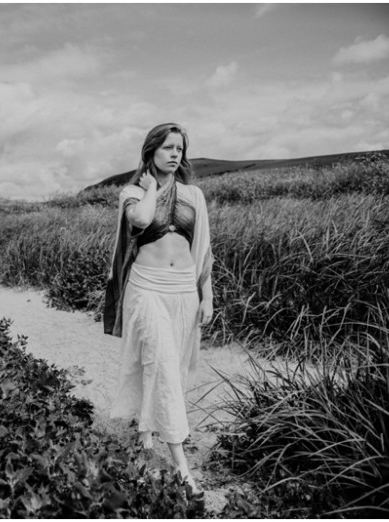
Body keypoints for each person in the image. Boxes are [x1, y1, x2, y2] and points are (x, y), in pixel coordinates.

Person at [103, 123, 213, 490]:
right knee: (162, 363)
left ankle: (148, 428)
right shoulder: (132, 192)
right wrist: (151, 187)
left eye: (179, 148)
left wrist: (207, 296)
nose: (175, 154)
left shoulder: (194, 194)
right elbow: (141, 220)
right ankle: (181, 465)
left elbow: (204, 250)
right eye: (166, 147)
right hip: (146, 288)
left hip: (183, 290)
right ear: (150, 151)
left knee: (171, 367)